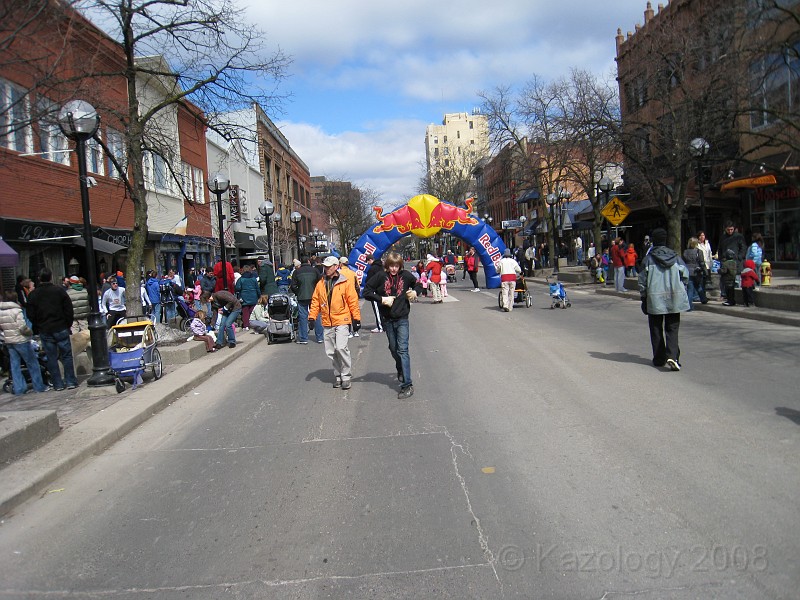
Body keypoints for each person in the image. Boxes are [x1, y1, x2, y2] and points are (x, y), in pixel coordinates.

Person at [363, 252, 417, 399]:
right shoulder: (380, 276)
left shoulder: (405, 275)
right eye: (391, 266)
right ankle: (400, 369)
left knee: (403, 349)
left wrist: (414, 292)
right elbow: (366, 291)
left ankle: (407, 385)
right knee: (394, 349)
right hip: (388, 318)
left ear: (400, 266)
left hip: (402, 317)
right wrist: (381, 299)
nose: (394, 269)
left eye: (396, 266)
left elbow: (417, 283)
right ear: (387, 266)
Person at [638, 228, 690, 372]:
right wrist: (681, 289)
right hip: (674, 297)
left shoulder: (648, 259)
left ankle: (659, 358)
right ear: (666, 240)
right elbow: (685, 275)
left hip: (654, 298)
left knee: (655, 328)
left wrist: (643, 297)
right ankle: (673, 355)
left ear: (653, 241)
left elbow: (642, 280)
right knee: (672, 328)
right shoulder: (676, 257)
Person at [308, 255, 361, 390]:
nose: (326, 269)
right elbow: (315, 301)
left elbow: (353, 301)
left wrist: (356, 319)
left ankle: (346, 376)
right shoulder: (321, 283)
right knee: (331, 351)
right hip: (327, 320)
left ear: (336, 266)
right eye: (325, 266)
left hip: (342, 318)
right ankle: (338, 375)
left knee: (341, 347)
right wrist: (312, 317)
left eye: (329, 266)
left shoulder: (345, 282)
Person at [26, 267, 78, 391]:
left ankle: (58, 383)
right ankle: (70, 381)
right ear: (50, 277)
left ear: (39, 279)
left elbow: (30, 314)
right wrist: (67, 323)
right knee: (66, 355)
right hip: (60, 326)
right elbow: (68, 309)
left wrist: (38, 324)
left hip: (45, 328)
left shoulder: (34, 294)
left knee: (51, 357)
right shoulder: (59, 291)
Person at [0, 291, 49, 395]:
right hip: (21, 340)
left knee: (15, 366)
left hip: (9, 340)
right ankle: (39, 386)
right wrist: (30, 332)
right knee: (32, 363)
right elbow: (22, 327)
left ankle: (19, 388)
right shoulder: (17, 311)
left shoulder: (1, 311)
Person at [290, 255, 321, 344]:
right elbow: (320, 283)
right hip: (314, 296)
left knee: (303, 317)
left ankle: (303, 338)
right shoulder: (315, 270)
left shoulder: (297, 272)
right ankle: (319, 337)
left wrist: (298, 292)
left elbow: (293, 285)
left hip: (302, 296)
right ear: (308, 261)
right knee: (316, 316)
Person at [718, 221, 746, 296]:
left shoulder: (739, 236)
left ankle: (737, 296)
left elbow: (743, 248)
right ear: (725, 229)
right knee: (725, 281)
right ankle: (726, 295)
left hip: (736, 262)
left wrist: (739, 257)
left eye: (731, 229)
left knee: (736, 280)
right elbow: (720, 248)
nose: (730, 231)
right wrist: (721, 258)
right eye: (728, 230)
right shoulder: (723, 238)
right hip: (725, 262)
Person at [682, 237, 708, 310]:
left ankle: (692, 303)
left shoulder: (685, 252)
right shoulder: (699, 252)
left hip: (688, 271)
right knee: (698, 285)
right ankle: (701, 300)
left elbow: (683, 262)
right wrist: (705, 271)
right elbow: (702, 263)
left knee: (691, 288)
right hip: (697, 271)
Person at [363, 254, 385, 332]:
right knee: (382, 308)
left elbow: (369, 281)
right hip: (383, 290)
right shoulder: (381, 267)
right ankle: (384, 325)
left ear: (370, 260)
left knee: (377, 309)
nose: (368, 263)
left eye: (367, 261)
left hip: (375, 291)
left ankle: (380, 327)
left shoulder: (372, 269)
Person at [234, 264, 260, 330]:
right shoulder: (253, 279)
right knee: (252, 312)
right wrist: (259, 296)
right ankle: (253, 324)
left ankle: (246, 326)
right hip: (254, 297)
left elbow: (237, 288)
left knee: (245, 312)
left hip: (244, 297)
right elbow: (257, 288)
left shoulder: (241, 279)